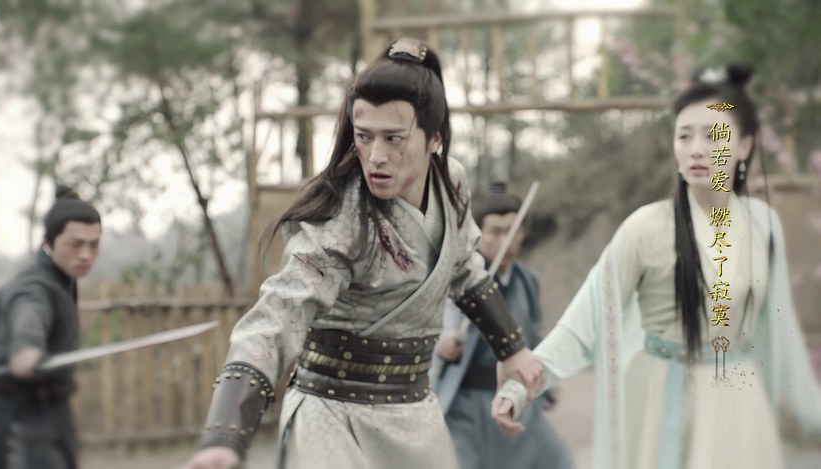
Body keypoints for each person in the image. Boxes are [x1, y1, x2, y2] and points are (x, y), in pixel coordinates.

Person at [185, 38, 543, 469]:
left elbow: (464, 267)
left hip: (414, 408)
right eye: (364, 136)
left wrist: (512, 348)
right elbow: (276, 318)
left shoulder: (451, 183)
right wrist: (224, 435)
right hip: (333, 417)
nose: (376, 157)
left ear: (434, 138)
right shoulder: (342, 220)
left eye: (394, 138)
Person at [493, 64, 821, 468]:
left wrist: (812, 411)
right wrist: (520, 386)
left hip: (735, 400)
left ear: (745, 146)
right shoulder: (645, 228)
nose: (696, 149)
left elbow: (779, 330)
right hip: (658, 397)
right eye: (685, 136)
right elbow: (586, 321)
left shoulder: (763, 224)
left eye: (712, 135)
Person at [434, 184, 574, 469]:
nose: (504, 240)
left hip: (513, 395)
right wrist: (446, 342)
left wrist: (547, 385)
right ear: (479, 233)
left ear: (522, 233)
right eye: (495, 231)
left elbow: (534, 336)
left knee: (556, 461)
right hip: (466, 402)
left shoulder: (527, 281)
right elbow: (447, 320)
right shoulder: (465, 276)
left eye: (511, 231)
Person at [0, 186, 102, 469]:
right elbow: (29, 314)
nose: (86, 254)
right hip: (21, 423)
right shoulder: (33, 286)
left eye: (94, 244)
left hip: (54, 412)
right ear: (48, 241)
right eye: (75, 244)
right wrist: (26, 349)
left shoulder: (63, 277)